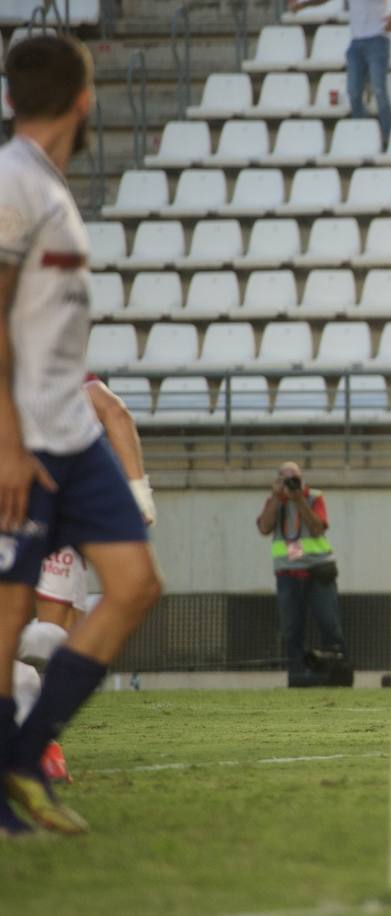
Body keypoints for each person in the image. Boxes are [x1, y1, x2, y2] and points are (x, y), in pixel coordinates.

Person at [0, 35, 165, 837]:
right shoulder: (13, 184)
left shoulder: (48, 188)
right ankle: (11, 787)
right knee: (7, 619)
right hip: (22, 438)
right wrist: (7, 442)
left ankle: (25, 758)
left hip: (69, 430)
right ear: (84, 99)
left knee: (134, 584)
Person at [12, 375, 158, 785]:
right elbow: (115, 411)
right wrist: (139, 495)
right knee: (55, 636)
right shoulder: (64, 379)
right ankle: (41, 751)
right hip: (51, 521)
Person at [255, 462, 348, 685]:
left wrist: (298, 500)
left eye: (294, 478)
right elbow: (264, 528)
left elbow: (318, 528)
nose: (290, 483)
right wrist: (277, 498)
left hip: (318, 570)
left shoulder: (313, 497)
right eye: (285, 478)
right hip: (288, 573)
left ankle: (337, 677)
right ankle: (297, 678)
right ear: (277, 480)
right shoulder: (275, 501)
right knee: (291, 629)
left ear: (302, 478)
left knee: (329, 624)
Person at [289, 0, 391, 143]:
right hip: (356, 42)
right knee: (353, 92)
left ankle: (387, 138)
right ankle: (363, 136)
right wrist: (302, 5)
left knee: (379, 90)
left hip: (378, 38)